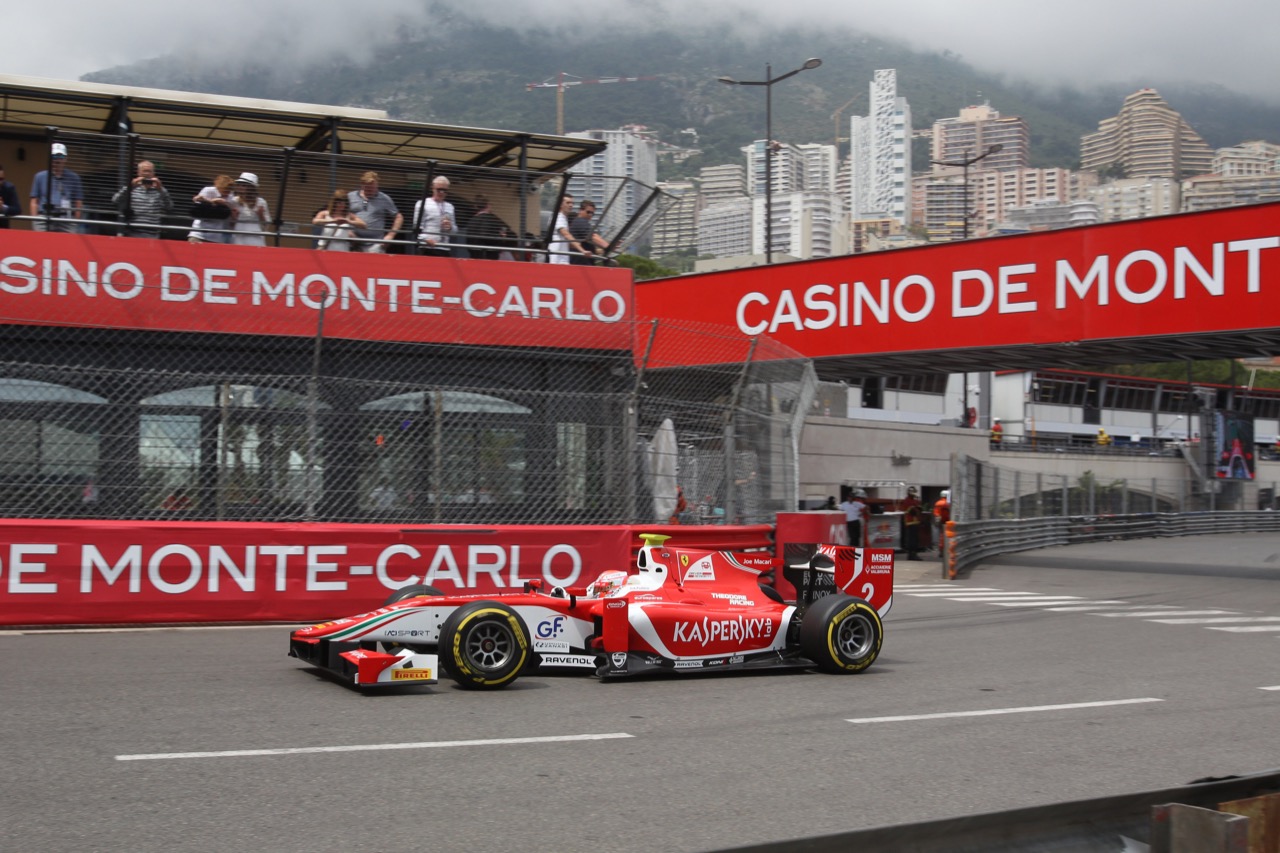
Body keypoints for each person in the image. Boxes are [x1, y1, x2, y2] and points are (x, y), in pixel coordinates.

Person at [28, 143, 84, 232]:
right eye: (54, 156)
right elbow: (34, 201)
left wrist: (75, 223)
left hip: (66, 219)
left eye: (60, 156)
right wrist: (35, 220)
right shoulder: (39, 177)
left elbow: (78, 203)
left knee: (66, 245)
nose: (57, 160)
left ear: (65, 159)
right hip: (44, 218)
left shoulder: (74, 178)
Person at [113, 160, 174, 238]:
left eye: (149, 171)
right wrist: (130, 187)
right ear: (138, 173)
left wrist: (161, 189)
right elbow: (115, 200)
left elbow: (169, 207)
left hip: (152, 234)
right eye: (144, 171)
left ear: (153, 173)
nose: (147, 174)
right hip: (133, 232)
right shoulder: (132, 188)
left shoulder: (160, 190)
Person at [347, 171, 402, 253]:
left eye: (373, 188)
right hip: (353, 243)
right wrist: (348, 231)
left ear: (377, 185)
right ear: (362, 185)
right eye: (368, 188)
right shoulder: (351, 196)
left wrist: (390, 235)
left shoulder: (384, 198)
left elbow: (398, 217)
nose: (371, 191)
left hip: (376, 244)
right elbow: (342, 214)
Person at [412, 176, 455, 256]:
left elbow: (455, 230)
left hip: (444, 248)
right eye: (439, 190)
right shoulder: (422, 203)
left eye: (444, 190)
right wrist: (426, 239)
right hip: (426, 248)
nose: (441, 193)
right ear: (433, 188)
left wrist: (450, 227)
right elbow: (416, 227)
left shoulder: (450, 206)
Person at [188, 175, 235, 244]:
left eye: (229, 191)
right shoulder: (208, 190)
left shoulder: (230, 195)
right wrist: (213, 201)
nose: (227, 193)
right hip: (199, 233)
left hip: (216, 236)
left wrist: (225, 204)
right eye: (225, 190)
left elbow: (230, 210)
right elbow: (198, 207)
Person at [228, 173, 270, 247]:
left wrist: (260, 215)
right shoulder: (234, 201)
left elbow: (266, 225)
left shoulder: (261, 202)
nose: (240, 187)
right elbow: (229, 225)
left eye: (244, 185)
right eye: (239, 184)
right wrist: (234, 217)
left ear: (251, 187)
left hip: (255, 237)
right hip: (238, 237)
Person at [465, 195, 512, 260]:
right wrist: (501, 237)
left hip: (474, 256)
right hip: (488, 257)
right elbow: (486, 236)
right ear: (488, 205)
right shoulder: (490, 218)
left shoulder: (472, 220)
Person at [568, 199, 609, 265]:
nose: (590, 215)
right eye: (588, 212)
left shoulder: (581, 222)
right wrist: (608, 247)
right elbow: (593, 237)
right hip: (580, 265)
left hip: (581, 263)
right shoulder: (580, 222)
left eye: (592, 213)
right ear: (581, 210)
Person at [547, 193, 575, 264]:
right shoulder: (557, 217)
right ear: (560, 204)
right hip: (556, 260)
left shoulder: (564, 218)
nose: (571, 205)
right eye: (568, 203)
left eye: (572, 203)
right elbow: (566, 234)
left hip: (562, 259)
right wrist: (582, 250)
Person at [902, 487, 923, 560]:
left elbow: (919, 509)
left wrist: (918, 508)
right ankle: (912, 554)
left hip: (915, 522)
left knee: (915, 539)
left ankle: (912, 554)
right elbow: (911, 511)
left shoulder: (914, 500)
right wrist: (916, 508)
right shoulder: (907, 501)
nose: (914, 494)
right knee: (911, 539)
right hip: (910, 522)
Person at [0, 164, 20, 228]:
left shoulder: (9, 188)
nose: (0, 182)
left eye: (2, 179)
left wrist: (2, 207)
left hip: (2, 229)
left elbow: (17, 209)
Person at [934, 489, 951, 560]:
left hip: (941, 522)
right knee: (948, 536)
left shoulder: (938, 503)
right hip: (948, 521)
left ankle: (941, 551)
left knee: (941, 536)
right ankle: (947, 550)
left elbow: (936, 513)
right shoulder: (948, 504)